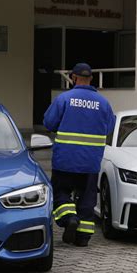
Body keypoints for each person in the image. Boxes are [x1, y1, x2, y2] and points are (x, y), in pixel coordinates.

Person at [43, 63, 115, 247]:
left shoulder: (64, 99)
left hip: (65, 160)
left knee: (60, 193)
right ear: (91, 79)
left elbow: (49, 123)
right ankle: (83, 238)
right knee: (87, 199)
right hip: (91, 162)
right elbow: (110, 128)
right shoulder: (104, 103)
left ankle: (69, 219)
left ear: (74, 78)